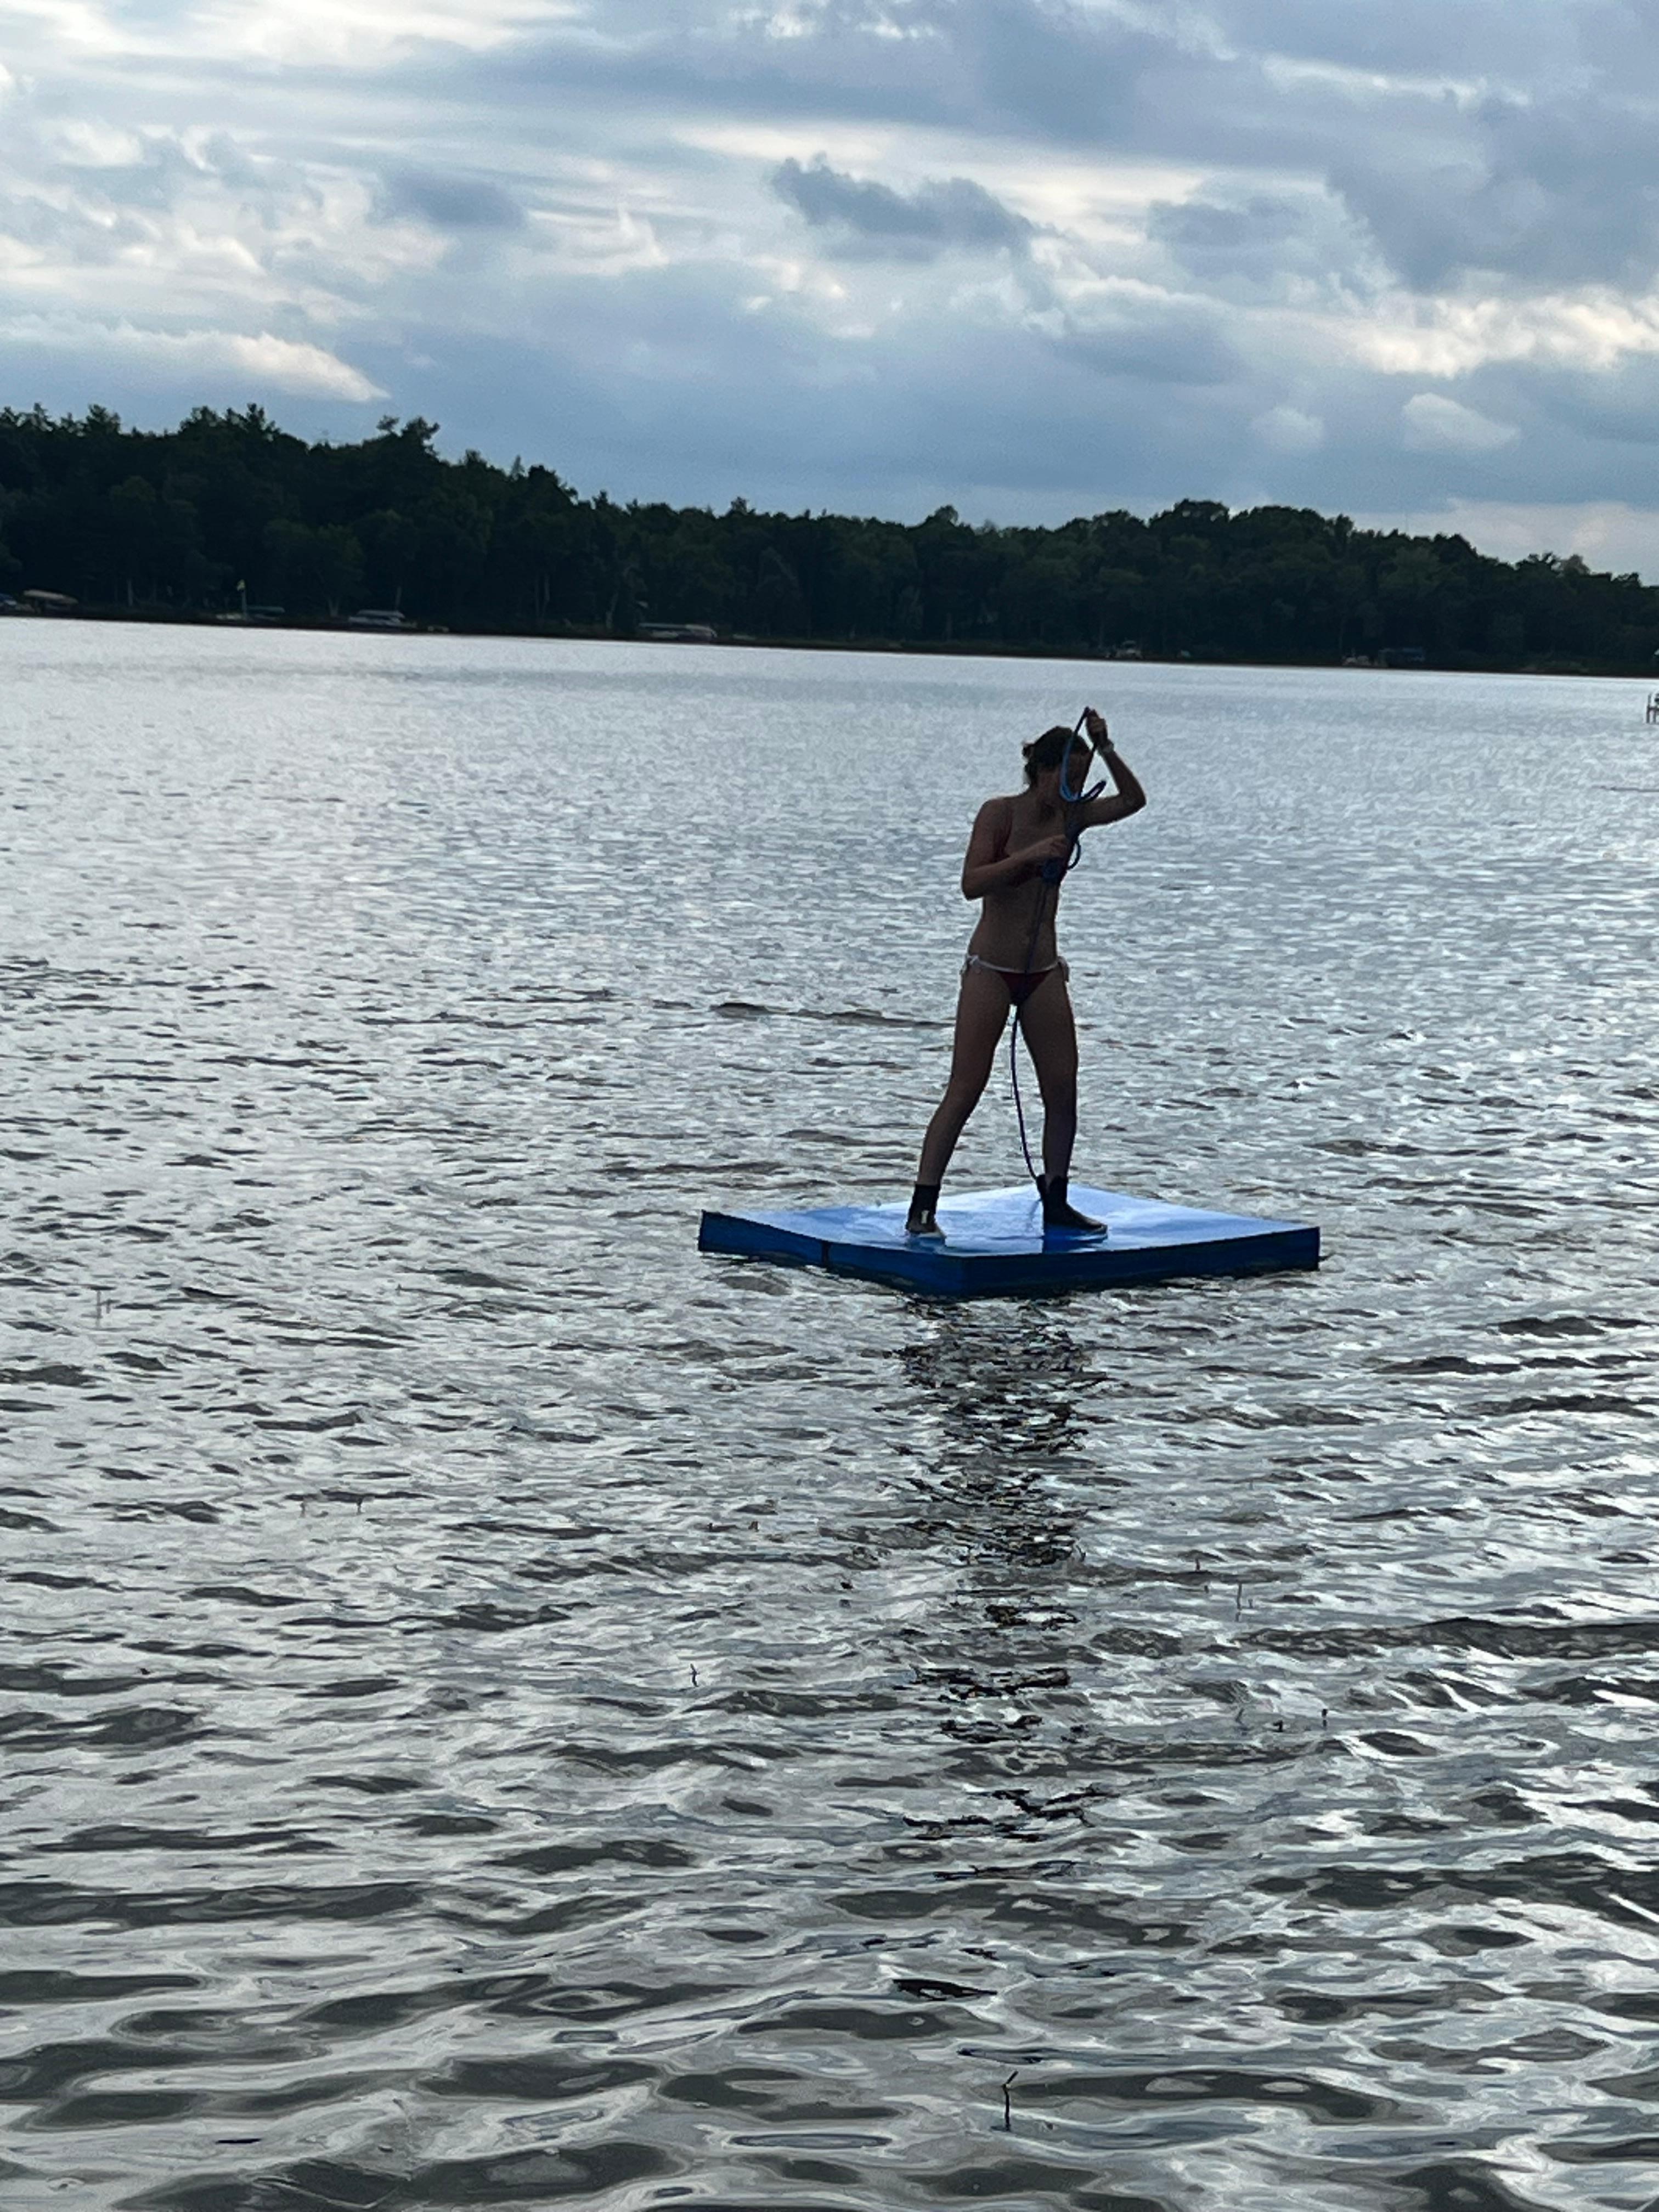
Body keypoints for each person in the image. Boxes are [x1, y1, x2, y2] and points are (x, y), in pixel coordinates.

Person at [906, 707, 1146, 1240]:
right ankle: (923, 1206)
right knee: (966, 1087)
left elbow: (1133, 801)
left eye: (1083, 782)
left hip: (1042, 971)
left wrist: (1106, 746)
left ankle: (1056, 1195)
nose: (1075, 791)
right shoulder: (1000, 814)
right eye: (1068, 778)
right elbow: (972, 883)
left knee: (1063, 1087)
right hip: (991, 968)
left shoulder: (1073, 817)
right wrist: (1028, 858)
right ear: (1040, 771)